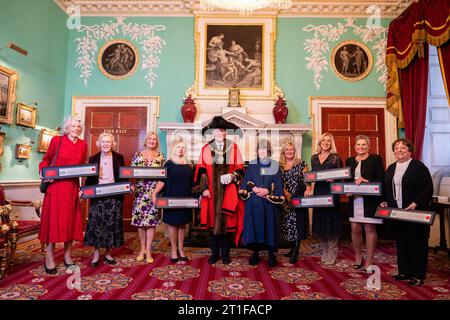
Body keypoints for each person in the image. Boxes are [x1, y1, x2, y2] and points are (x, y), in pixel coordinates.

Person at [380, 138, 433, 286]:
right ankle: (404, 271)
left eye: (403, 148)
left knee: (417, 243)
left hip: (415, 212)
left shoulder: (418, 167)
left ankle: (417, 274)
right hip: (397, 213)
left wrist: (416, 203)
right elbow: (386, 187)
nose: (399, 150)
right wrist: (385, 200)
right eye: (397, 148)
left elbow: (427, 188)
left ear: (410, 150)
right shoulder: (391, 168)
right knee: (401, 242)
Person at [39, 116, 87, 274]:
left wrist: (83, 188)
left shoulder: (83, 144)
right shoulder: (56, 141)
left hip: (73, 188)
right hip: (56, 187)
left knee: (71, 222)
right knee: (53, 221)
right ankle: (49, 256)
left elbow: (83, 168)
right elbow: (45, 160)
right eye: (73, 126)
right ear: (67, 128)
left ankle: (67, 256)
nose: (76, 129)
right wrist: (44, 173)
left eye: (78, 126)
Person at [194, 116, 245, 265]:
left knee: (227, 226)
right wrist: (203, 189)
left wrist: (232, 175)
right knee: (211, 226)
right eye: (216, 130)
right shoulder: (206, 148)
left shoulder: (234, 148)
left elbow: (240, 168)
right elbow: (201, 170)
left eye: (222, 130)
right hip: (211, 193)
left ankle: (226, 255)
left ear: (226, 132)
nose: (219, 132)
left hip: (228, 192)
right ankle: (214, 254)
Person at [239, 139, 284, 267]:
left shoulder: (274, 165)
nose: (262, 151)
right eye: (260, 149)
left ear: (268, 151)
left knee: (270, 224)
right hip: (254, 200)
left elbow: (278, 184)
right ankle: (255, 253)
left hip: (269, 201)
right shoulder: (252, 165)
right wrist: (254, 188)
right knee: (254, 223)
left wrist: (267, 190)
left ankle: (271, 254)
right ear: (257, 151)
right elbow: (246, 182)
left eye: (265, 149)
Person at [83, 133, 125, 267]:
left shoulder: (119, 157)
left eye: (108, 142)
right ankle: (96, 253)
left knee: (111, 225)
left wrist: (127, 187)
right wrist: (84, 191)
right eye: (103, 142)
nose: (106, 144)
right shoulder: (93, 158)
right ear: (99, 143)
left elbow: (123, 176)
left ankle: (107, 253)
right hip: (98, 196)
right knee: (96, 225)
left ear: (113, 144)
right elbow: (89, 179)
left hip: (114, 196)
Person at [345, 135, 385, 270]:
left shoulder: (376, 159)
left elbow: (381, 179)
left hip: (370, 199)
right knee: (355, 228)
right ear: (355, 147)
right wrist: (345, 188)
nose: (361, 147)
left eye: (364, 145)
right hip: (355, 199)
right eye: (358, 145)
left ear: (368, 146)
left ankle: (369, 259)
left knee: (369, 227)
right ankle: (358, 256)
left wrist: (366, 180)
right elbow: (347, 180)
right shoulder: (349, 160)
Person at [152, 138, 194, 263]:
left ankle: (181, 249)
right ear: (173, 149)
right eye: (178, 147)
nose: (180, 149)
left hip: (185, 199)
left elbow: (193, 183)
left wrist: (198, 196)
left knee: (182, 225)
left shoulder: (190, 165)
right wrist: (154, 193)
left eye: (182, 147)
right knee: (173, 225)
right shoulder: (168, 164)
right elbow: (162, 181)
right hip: (171, 198)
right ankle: (174, 251)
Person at [309, 133, 343, 265]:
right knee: (321, 221)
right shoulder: (314, 158)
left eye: (329, 141)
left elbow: (342, 175)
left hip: (331, 192)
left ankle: (333, 251)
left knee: (331, 221)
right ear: (320, 142)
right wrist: (310, 190)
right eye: (324, 140)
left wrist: (334, 179)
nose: (326, 142)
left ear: (331, 143)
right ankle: (324, 251)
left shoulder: (335, 158)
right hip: (318, 192)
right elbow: (312, 175)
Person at [131, 132, 165, 263]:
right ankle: (142, 249)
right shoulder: (137, 156)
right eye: (150, 139)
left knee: (151, 223)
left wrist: (155, 193)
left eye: (154, 139)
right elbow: (130, 173)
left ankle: (149, 250)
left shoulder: (161, 157)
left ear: (157, 142)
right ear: (145, 141)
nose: (152, 141)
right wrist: (131, 186)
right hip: (140, 193)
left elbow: (163, 178)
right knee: (140, 223)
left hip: (154, 193)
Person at [280, 141, 311, 264]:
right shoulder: (279, 166)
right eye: (287, 149)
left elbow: (307, 179)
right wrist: (286, 194)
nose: (289, 151)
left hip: (298, 197)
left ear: (294, 151)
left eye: (292, 149)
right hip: (286, 198)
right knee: (288, 224)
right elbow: (278, 182)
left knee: (298, 223)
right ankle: (292, 248)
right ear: (283, 152)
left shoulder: (301, 164)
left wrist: (308, 188)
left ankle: (296, 251)